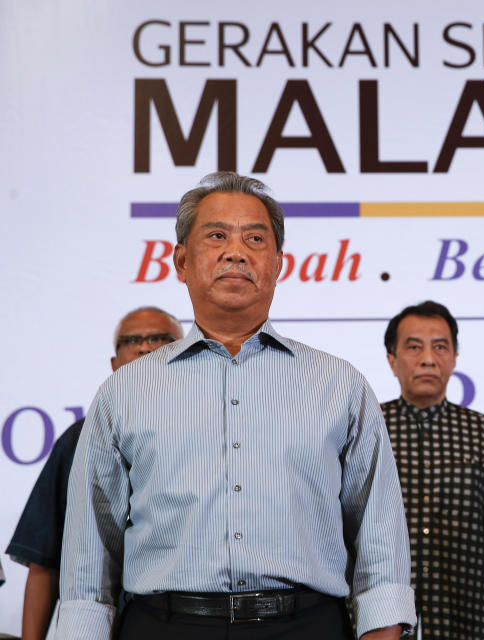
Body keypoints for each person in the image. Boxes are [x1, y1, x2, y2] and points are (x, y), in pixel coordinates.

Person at [56, 172, 416, 640]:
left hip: (306, 626)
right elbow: (89, 552)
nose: (235, 251)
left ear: (278, 263)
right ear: (181, 261)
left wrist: (384, 630)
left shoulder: (338, 385)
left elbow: (380, 536)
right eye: (217, 235)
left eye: (255, 238)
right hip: (164, 627)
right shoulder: (125, 391)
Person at [6, 307, 182, 640]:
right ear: (114, 365)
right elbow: (44, 559)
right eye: (131, 341)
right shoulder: (79, 439)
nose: (144, 347)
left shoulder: (210, 434)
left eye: (159, 338)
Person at [381, 300, 484, 640]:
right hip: (381, 627)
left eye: (440, 347)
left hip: (468, 626)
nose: (428, 359)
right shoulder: (366, 429)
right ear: (392, 360)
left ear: (454, 359)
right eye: (413, 347)